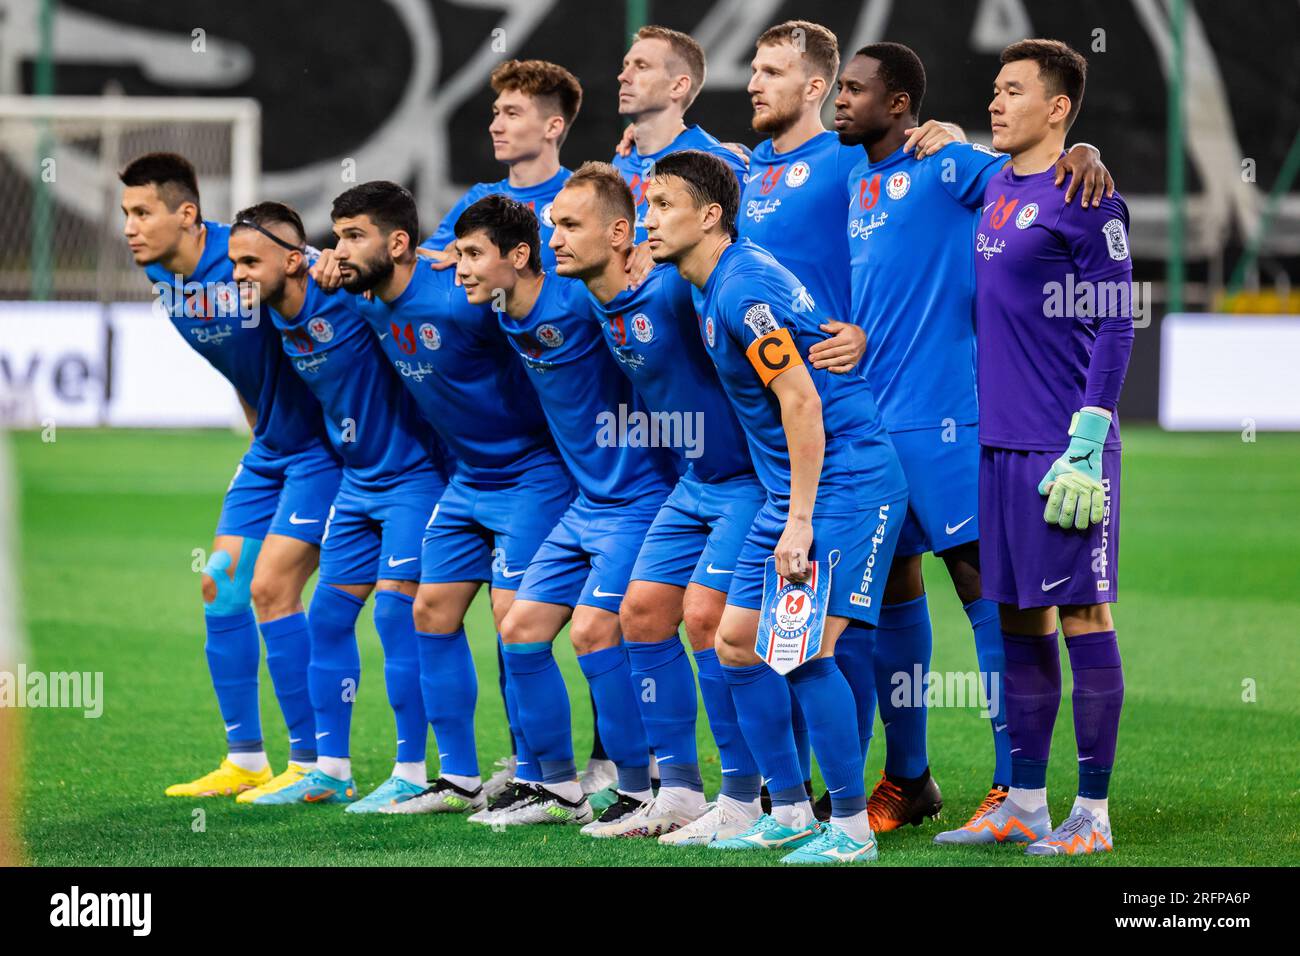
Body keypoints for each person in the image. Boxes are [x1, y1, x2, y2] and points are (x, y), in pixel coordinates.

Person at [835, 41, 1115, 833]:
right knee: (891, 599)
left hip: (953, 423)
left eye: (854, 89)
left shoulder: (951, 166)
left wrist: (1088, 148)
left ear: (899, 103)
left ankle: (1010, 784)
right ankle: (908, 777)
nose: (840, 101)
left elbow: (1044, 178)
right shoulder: (857, 180)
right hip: (874, 423)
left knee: (992, 601)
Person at [646, 150, 908, 864]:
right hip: (792, 488)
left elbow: (800, 399)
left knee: (807, 650)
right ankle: (788, 808)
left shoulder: (740, 289)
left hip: (844, 482)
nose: (649, 218)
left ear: (708, 217)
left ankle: (850, 829)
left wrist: (798, 521)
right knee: (734, 640)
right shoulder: (709, 285)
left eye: (664, 204)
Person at [548, 162, 767, 841]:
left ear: (618, 234)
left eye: (568, 225)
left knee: (705, 620)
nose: (554, 237)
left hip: (749, 482)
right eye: (551, 225)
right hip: (694, 484)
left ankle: (747, 795)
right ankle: (675, 791)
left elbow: (746, 270)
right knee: (641, 614)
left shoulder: (677, 291)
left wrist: (840, 336)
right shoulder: (594, 302)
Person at [952, 38, 1131, 855]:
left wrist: (1089, 438)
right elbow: (945, 152)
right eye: (993, 88)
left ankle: (1090, 815)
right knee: (1018, 618)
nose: (996, 101)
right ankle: (1024, 800)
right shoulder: (996, 181)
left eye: (1013, 90)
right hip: (997, 444)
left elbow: (1118, 320)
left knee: (1082, 615)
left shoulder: (1087, 196)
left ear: (1056, 108)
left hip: (1064, 452)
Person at [348, 181, 575, 816]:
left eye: (351, 236)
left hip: (533, 475)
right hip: (467, 482)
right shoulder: (369, 304)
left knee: (514, 625)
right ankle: (460, 780)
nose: (339, 249)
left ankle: (545, 780)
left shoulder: (468, 299)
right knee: (430, 613)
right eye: (336, 236)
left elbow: (537, 289)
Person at [120, 153, 339, 802]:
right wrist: (259, 436)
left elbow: (312, 279)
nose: (129, 227)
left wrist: (330, 260)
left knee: (274, 590)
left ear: (186, 214)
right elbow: (243, 369)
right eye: (125, 213)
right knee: (220, 587)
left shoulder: (246, 258)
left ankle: (311, 765)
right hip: (269, 449)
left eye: (141, 212)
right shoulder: (165, 276)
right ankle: (246, 758)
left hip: (324, 451)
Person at [455, 194, 678, 827]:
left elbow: (642, 302)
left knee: (594, 631)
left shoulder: (584, 301)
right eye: (462, 255)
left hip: (639, 499)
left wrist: (642, 256)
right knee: (520, 629)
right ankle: (557, 788)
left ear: (516, 257)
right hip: (586, 503)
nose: (463, 269)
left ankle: (642, 785)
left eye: (475, 256)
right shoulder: (501, 309)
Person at [227, 197, 448, 811]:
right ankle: (329, 769)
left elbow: (400, 278)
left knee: (393, 618)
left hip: (414, 479)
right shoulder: (274, 314)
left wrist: (432, 254)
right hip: (355, 482)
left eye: (250, 262)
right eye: (234, 264)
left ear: (297, 260)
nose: (239, 275)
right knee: (325, 620)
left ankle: (413, 770)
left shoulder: (350, 293)